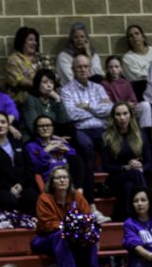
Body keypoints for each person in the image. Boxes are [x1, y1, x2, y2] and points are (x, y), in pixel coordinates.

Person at [33, 165, 107, 267]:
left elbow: (87, 217)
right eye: (58, 178)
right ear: (52, 183)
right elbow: (47, 224)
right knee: (62, 235)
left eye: (65, 177)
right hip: (46, 238)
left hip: (72, 235)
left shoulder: (77, 196)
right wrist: (70, 226)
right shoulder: (44, 198)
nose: (62, 180)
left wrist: (80, 226)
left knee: (91, 232)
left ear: (69, 181)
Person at [60, 55, 113, 196]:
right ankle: (91, 189)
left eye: (86, 67)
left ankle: (108, 184)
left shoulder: (98, 88)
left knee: (111, 142)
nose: (83, 70)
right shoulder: (66, 90)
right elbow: (71, 114)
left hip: (101, 128)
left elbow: (109, 109)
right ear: (73, 70)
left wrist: (87, 106)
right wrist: (97, 112)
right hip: (81, 129)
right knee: (86, 146)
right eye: (79, 67)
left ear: (90, 69)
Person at [102, 101, 152, 219]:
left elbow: (149, 163)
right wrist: (126, 168)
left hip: (135, 178)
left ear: (130, 115)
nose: (122, 118)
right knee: (133, 175)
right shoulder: (107, 136)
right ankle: (150, 210)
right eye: (118, 114)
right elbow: (106, 166)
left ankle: (124, 217)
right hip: (115, 179)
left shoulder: (141, 135)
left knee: (128, 186)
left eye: (125, 113)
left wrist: (141, 169)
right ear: (113, 117)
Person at [24, 115, 82, 188]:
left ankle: (79, 188)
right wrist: (45, 151)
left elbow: (76, 163)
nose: (45, 128)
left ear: (53, 128)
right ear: (36, 129)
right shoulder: (31, 146)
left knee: (78, 159)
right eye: (41, 126)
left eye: (48, 125)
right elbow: (36, 168)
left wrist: (68, 151)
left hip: (68, 178)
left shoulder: (61, 142)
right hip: (49, 181)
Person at [101, 55, 152, 127]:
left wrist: (131, 104)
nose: (114, 69)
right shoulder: (104, 84)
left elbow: (133, 100)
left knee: (145, 105)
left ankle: (145, 130)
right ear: (107, 69)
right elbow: (108, 103)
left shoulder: (126, 82)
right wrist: (124, 104)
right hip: (115, 110)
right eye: (111, 67)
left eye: (116, 67)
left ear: (121, 68)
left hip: (129, 108)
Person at [20, 68, 68, 138]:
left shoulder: (54, 100)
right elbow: (33, 128)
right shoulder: (31, 100)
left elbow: (64, 121)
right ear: (38, 84)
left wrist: (58, 100)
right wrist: (54, 138)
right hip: (33, 138)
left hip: (52, 136)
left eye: (51, 82)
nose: (49, 85)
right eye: (45, 82)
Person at [56, 21, 104, 85]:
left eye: (82, 37)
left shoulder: (94, 56)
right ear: (72, 39)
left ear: (86, 39)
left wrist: (89, 56)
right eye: (76, 37)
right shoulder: (64, 57)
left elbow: (98, 76)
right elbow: (69, 78)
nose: (79, 40)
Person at [5, 26, 44, 104]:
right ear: (22, 41)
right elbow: (20, 81)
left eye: (35, 40)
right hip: (22, 102)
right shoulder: (13, 60)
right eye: (30, 40)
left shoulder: (39, 58)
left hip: (41, 100)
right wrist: (42, 85)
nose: (34, 43)